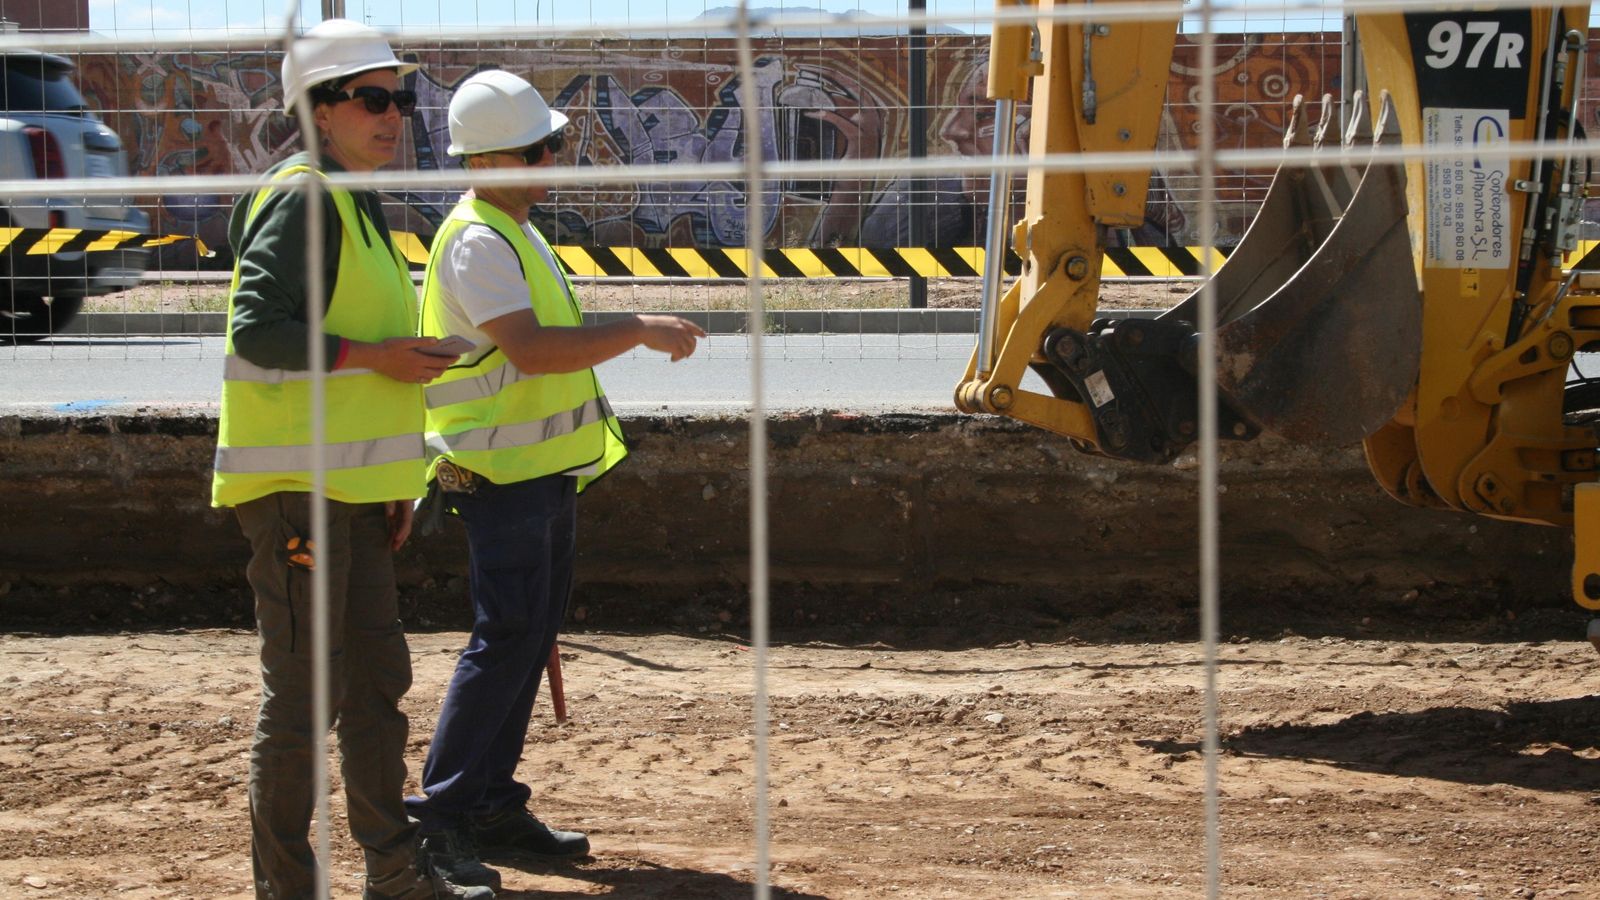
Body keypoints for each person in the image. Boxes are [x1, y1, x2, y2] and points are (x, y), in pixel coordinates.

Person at [404, 69, 705, 890]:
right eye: (547, 146)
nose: (556, 158)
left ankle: (491, 804)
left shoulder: (513, 228)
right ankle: (441, 818)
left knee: (526, 642)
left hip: (540, 473)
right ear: (502, 158)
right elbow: (534, 349)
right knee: (503, 641)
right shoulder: (478, 241)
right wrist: (639, 328)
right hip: (501, 478)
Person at [211, 19, 489, 900]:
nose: (393, 116)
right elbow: (257, 336)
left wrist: (394, 481)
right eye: (372, 99)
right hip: (298, 494)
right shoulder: (304, 198)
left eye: (401, 99)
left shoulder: (351, 198)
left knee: (375, 687)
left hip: (355, 494)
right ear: (319, 110)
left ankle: (394, 874)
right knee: (301, 703)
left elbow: (357, 351)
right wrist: (382, 360)